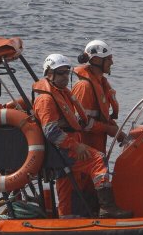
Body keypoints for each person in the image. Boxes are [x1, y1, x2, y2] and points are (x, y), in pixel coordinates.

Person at [32, 53, 132, 219]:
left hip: (65, 149)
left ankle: (68, 219)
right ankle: (107, 207)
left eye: (67, 72)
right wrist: (76, 146)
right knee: (98, 159)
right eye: (61, 73)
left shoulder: (62, 93)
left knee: (67, 186)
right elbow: (51, 131)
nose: (65, 76)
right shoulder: (45, 99)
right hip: (59, 151)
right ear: (49, 73)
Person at [72, 39, 128, 152]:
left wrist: (118, 132)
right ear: (96, 60)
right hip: (84, 151)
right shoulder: (84, 86)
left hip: (96, 148)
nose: (112, 63)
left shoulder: (100, 84)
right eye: (109, 59)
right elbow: (80, 122)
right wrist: (108, 129)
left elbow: (101, 117)